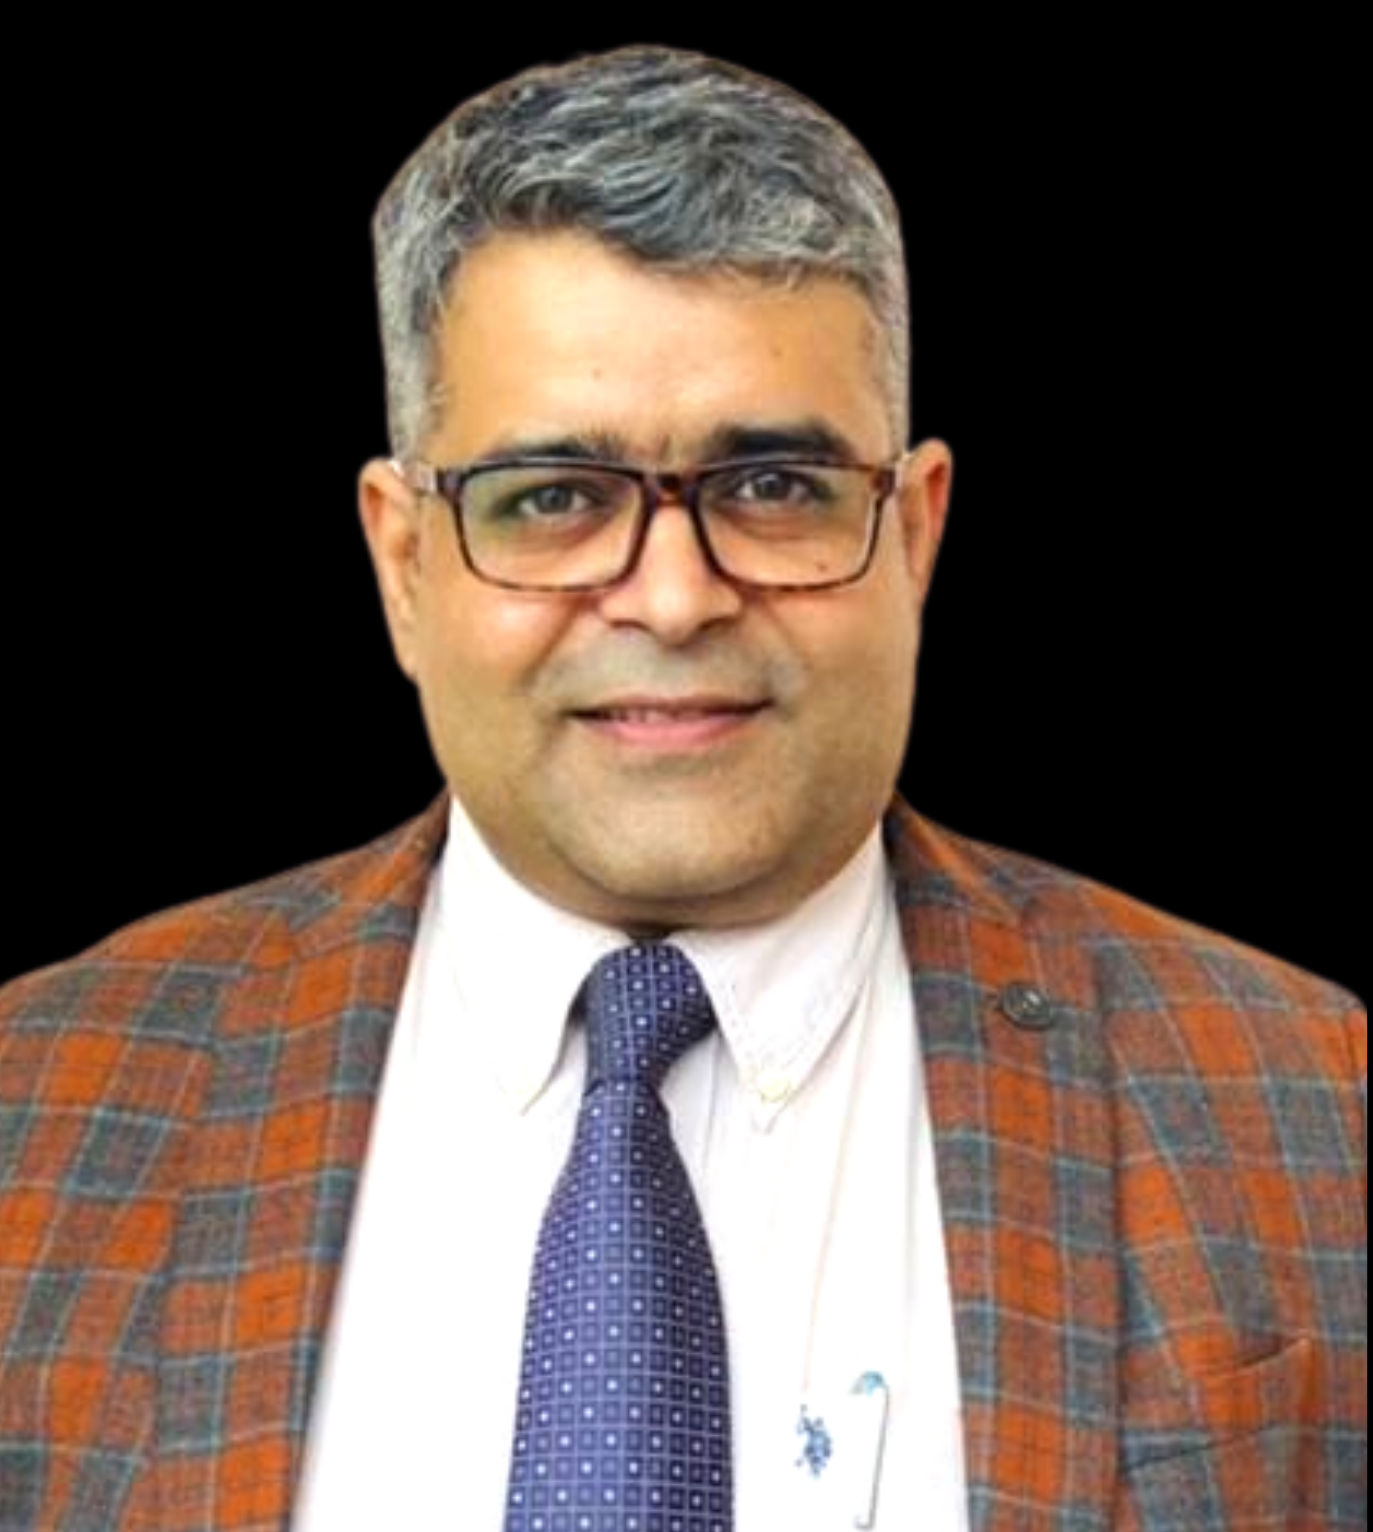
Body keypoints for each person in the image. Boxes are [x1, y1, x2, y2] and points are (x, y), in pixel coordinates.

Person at [0, 42, 1363, 1532]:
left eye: (771, 486)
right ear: (403, 564)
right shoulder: (36, 1100)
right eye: (553, 498)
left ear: (915, 535)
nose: (670, 597)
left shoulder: (1322, 1107)